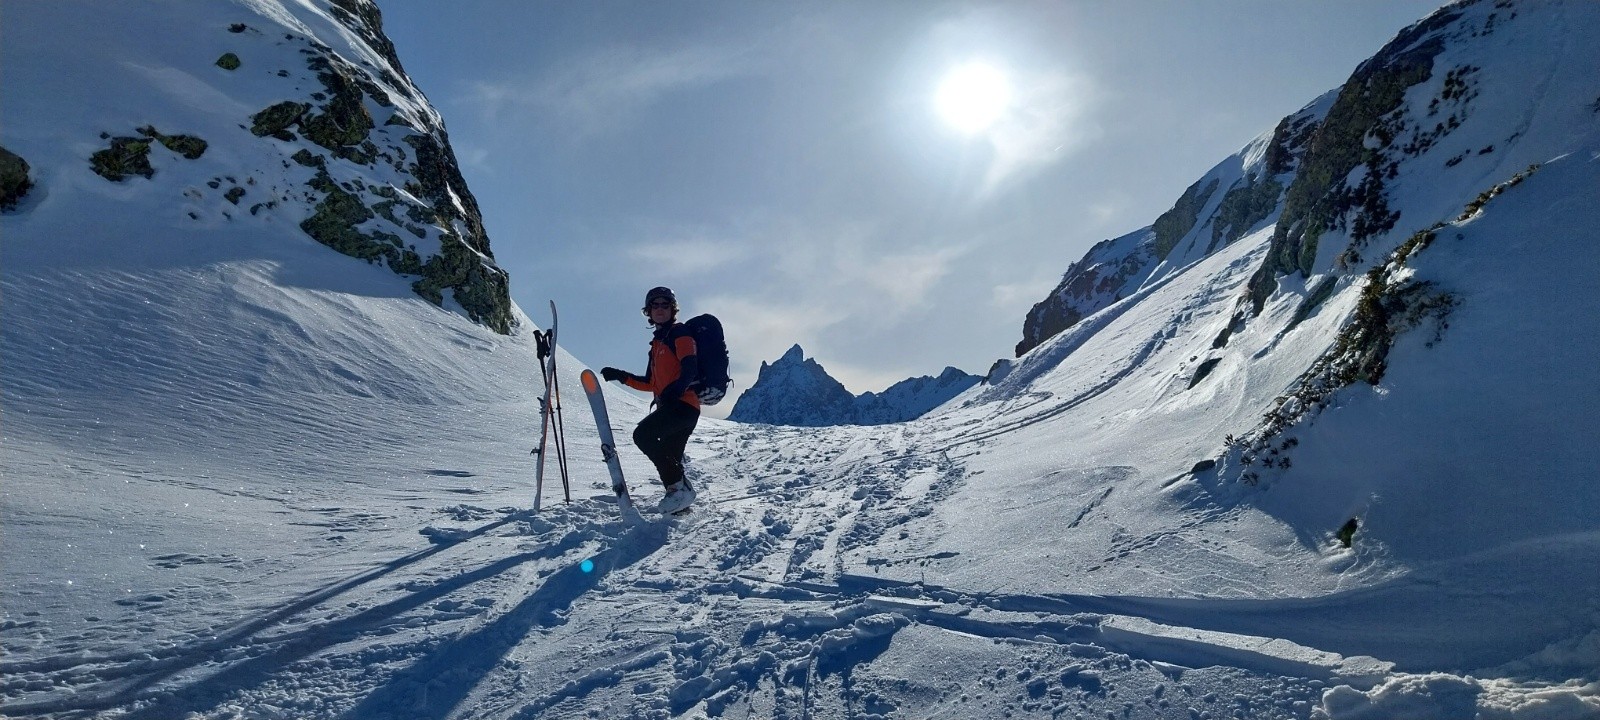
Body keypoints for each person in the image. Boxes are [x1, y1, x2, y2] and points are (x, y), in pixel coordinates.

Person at [600, 286, 700, 513]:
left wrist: (676, 390)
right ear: (648, 311)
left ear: (673, 309)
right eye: (655, 305)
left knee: (643, 435)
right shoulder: (656, 345)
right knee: (670, 457)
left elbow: (690, 368)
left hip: (684, 406)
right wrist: (621, 376)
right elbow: (651, 383)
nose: (660, 309)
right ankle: (679, 505)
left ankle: (679, 491)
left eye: (665, 304)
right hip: (674, 406)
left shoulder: (679, 333)